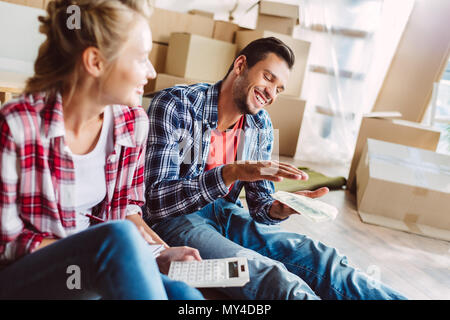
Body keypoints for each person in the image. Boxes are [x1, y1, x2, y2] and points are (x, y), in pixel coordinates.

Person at [143, 37, 408, 300]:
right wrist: (231, 173)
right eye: (268, 78)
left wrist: (280, 208)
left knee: (324, 260)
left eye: (279, 88)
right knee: (269, 277)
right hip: (174, 224)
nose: (271, 94)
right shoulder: (176, 104)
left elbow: (259, 206)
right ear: (240, 65)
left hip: (225, 215)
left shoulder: (260, 125)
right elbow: (156, 202)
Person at [0, 0, 204, 300]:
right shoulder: (18, 125)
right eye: (142, 58)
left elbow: (125, 213)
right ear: (95, 62)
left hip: (95, 263)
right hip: (22, 276)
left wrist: (159, 253)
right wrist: (95, 252)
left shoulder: (132, 124)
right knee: (116, 239)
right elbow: (5, 242)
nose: (151, 71)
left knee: (184, 295)